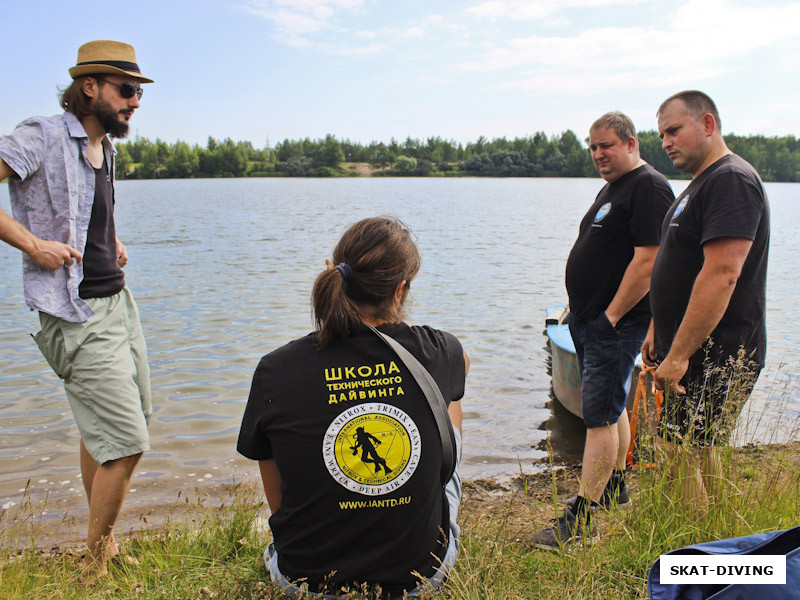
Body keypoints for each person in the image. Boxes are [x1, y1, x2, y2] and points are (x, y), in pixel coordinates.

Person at [237, 217, 469, 598]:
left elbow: (276, 499)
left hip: (304, 581)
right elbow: (462, 367)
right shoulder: (442, 351)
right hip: (418, 579)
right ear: (401, 288)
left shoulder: (275, 368)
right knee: (449, 401)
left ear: (334, 274)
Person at [0, 40, 153, 573]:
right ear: (90, 87)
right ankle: (94, 561)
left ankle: (102, 543)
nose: (136, 101)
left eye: (138, 92)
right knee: (127, 442)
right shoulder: (41, 134)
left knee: (105, 431)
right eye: (127, 90)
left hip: (117, 303)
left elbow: (87, 213)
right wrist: (32, 245)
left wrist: (112, 240)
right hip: (76, 313)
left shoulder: (105, 148)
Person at [530, 112, 674, 550]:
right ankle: (616, 484)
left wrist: (609, 316)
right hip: (593, 319)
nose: (598, 154)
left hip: (616, 324)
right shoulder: (616, 187)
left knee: (597, 420)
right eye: (592, 147)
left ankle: (582, 520)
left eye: (606, 145)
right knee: (610, 411)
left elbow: (648, 261)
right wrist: (581, 304)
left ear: (631, 143)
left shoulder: (648, 187)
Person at [643, 91, 769, 505]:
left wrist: (678, 355)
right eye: (662, 134)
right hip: (691, 347)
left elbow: (722, 273)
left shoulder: (731, 180)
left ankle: (695, 553)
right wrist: (656, 326)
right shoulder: (701, 185)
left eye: (674, 130)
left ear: (708, 124)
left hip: (716, 351)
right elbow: (680, 265)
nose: (666, 142)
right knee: (701, 450)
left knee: (681, 454)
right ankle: (716, 542)